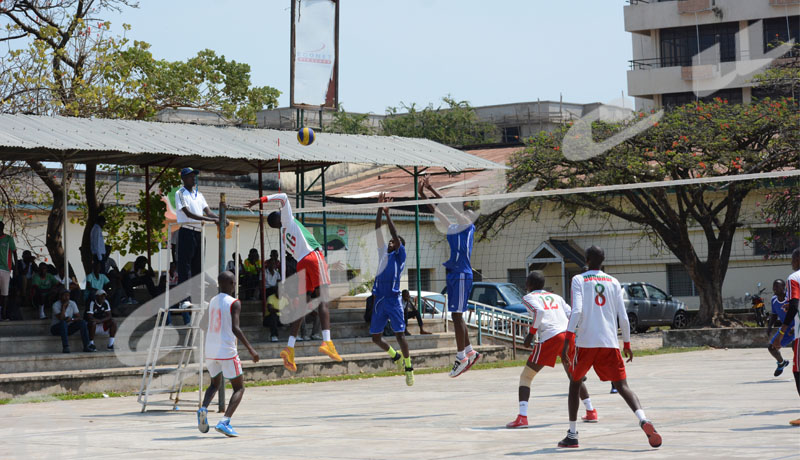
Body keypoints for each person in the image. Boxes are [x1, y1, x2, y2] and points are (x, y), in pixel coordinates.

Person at [558, 246, 661, 449]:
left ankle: (572, 434)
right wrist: (628, 343)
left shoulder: (579, 279)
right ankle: (643, 419)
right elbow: (623, 315)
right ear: (603, 260)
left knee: (575, 383)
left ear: (586, 260)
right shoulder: (613, 282)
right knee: (622, 386)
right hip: (610, 342)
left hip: (586, 342)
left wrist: (568, 339)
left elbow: (577, 310)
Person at [247, 193, 341, 372]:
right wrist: (260, 200)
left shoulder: (284, 236)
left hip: (301, 264)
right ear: (281, 217)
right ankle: (327, 341)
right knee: (324, 299)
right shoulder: (288, 221)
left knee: (301, 306)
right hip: (313, 257)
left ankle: (290, 348)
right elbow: (282, 196)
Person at [506, 271, 597, 428]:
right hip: (568, 337)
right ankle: (591, 411)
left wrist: (531, 334)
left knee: (526, 377)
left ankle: (522, 417)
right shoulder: (557, 297)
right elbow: (572, 314)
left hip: (550, 337)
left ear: (529, 285)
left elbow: (539, 312)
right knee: (574, 375)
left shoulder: (528, 297)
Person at [418, 176, 480, 377]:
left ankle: (461, 356)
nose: (462, 217)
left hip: (463, 274)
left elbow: (451, 210)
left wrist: (433, 189)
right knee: (456, 314)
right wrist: (422, 194)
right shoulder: (453, 229)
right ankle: (469, 351)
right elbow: (437, 211)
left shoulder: (468, 228)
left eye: (466, 216)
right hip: (453, 274)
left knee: (456, 315)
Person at [197, 271, 259, 437]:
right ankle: (224, 422)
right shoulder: (234, 303)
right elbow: (235, 328)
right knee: (239, 388)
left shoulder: (212, 301)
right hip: (226, 350)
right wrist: (251, 350)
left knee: (214, 384)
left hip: (210, 350)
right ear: (232, 284)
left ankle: (203, 409)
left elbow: (202, 325)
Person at [369, 194, 414, 386]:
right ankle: (395, 356)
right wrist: (379, 208)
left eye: (393, 242)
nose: (390, 242)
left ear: (399, 246)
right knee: (375, 338)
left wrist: (389, 214)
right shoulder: (383, 253)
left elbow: (394, 235)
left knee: (399, 335)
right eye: (389, 242)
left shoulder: (399, 257)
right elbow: (378, 230)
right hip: (380, 299)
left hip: (394, 299)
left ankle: (409, 367)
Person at [175, 167, 223, 307]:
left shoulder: (199, 194)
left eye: (194, 176)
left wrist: (221, 218)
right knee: (185, 268)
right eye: (190, 176)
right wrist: (210, 221)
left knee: (198, 268)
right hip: (187, 231)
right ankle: (184, 300)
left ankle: (196, 299)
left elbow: (208, 212)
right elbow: (188, 214)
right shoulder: (180, 193)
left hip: (199, 232)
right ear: (183, 179)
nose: (193, 178)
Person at [770, 247, 800, 426]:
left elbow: (795, 305)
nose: (791, 263)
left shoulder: (794, 278)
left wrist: (781, 332)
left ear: (797, 260)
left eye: (792, 259)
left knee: (798, 372)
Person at [50, 289, 93, 353]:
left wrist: (72, 319)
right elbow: (61, 318)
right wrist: (64, 306)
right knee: (63, 323)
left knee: (82, 323)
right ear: (60, 297)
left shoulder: (72, 303)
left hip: (68, 327)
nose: (67, 297)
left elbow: (78, 317)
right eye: (64, 295)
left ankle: (86, 346)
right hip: (56, 328)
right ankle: (65, 347)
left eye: (68, 295)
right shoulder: (55, 305)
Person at [767, 279, 794, 377]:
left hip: (796, 327)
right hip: (784, 328)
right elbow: (774, 314)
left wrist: (795, 326)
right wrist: (770, 326)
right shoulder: (774, 300)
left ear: (784, 288)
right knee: (772, 348)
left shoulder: (790, 299)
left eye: (777, 286)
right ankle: (781, 363)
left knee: (795, 347)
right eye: (774, 286)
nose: (774, 288)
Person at [0, 220, 17, 321]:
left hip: (6, 269)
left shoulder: (8, 239)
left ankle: (4, 314)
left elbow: (14, 252)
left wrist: (16, 268)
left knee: (5, 293)